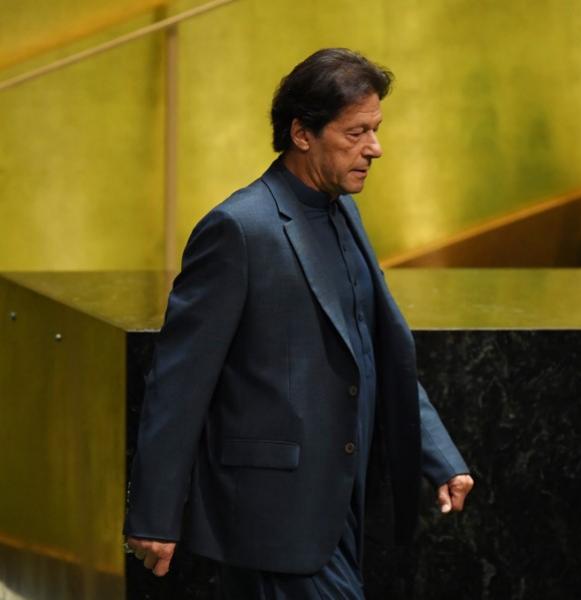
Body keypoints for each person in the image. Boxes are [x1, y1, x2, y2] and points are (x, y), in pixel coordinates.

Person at [124, 47, 474, 599]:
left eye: (375, 130)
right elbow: (178, 383)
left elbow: (374, 350)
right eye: (356, 133)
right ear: (302, 133)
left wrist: (439, 455)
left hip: (342, 507)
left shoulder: (344, 211)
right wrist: (154, 515)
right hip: (272, 515)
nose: (375, 148)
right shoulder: (239, 229)